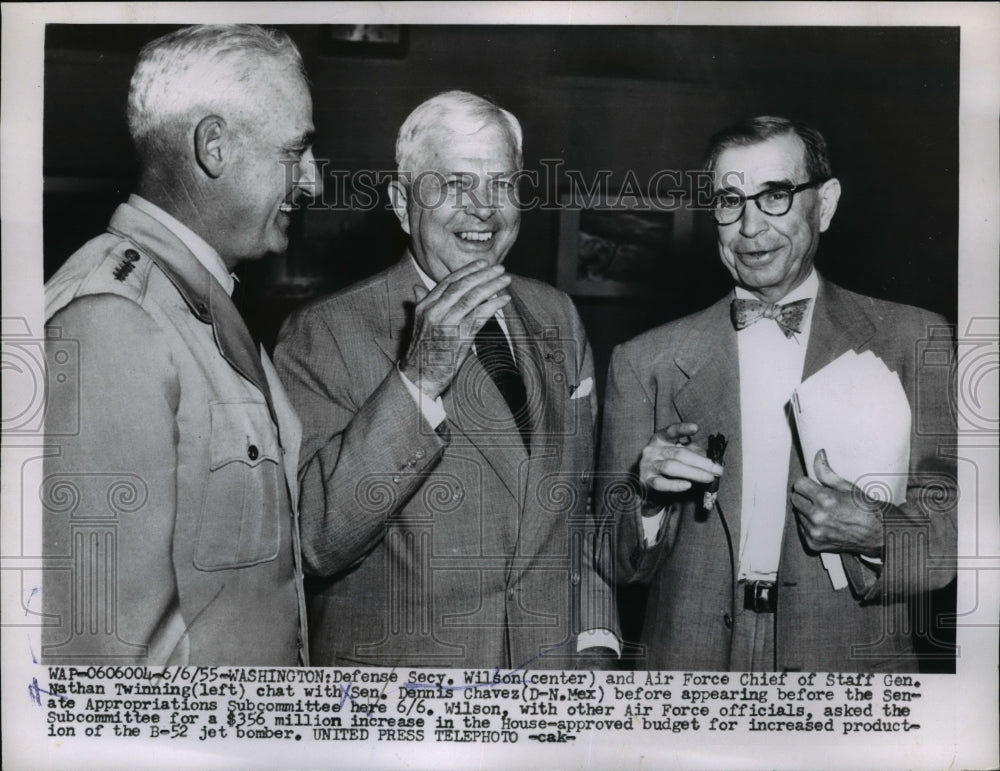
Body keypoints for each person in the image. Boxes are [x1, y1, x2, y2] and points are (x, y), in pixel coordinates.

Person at [597, 116, 956, 672]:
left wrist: (877, 531)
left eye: (776, 196)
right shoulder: (643, 361)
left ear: (826, 204)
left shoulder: (915, 340)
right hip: (687, 664)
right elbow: (614, 564)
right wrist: (646, 498)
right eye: (729, 200)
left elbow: (955, 537)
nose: (750, 228)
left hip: (850, 664)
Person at [275, 90, 618, 669]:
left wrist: (597, 644)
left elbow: (574, 515)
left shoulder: (558, 315)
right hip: (406, 716)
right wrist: (418, 380)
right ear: (404, 205)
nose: (484, 209)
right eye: (455, 185)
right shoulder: (325, 333)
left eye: (502, 185)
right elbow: (315, 542)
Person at [42, 24, 320, 665]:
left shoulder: (190, 301)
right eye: (295, 152)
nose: (312, 182)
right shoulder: (112, 318)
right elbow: (107, 663)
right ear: (214, 147)